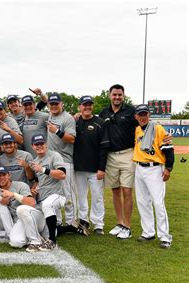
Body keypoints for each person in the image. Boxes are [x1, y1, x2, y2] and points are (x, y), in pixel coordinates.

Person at [98, 84, 138, 239]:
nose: (117, 97)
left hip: (128, 154)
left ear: (123, 95)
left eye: (119, 95)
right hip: (110, 156)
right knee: (115, 190)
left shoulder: (131, 111)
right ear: (110, 95)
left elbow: (144, 125)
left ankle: (127, 226)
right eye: (114, 95)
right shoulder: (104, 112)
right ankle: (120, 223)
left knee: (127, 190)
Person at [132, 105, 174, 249]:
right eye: (140, 114)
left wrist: (168, 168)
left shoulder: (158, 128)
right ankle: (148, 232)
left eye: (145, 114)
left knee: (158, 202)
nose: (142, 117)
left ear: (149, 115)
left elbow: (169, 149)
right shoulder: (137, 129)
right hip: (139, 168)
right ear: (136, 117)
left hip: (155, 168)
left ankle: (165, 237)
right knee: (143, 202)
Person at [73, 96, 109, 235]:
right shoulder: (74, 122)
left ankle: (98, 223)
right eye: (84, 105)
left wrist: (102, 168)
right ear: (79, 107)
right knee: (81, 196)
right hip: (79, 168)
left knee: (97, 196)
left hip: (95, 169)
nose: (87, 107)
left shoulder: (100, 122)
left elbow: (104, 147)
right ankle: (83, 220)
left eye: (89, 105)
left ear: (92, 106)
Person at [29, 134, 67, 249]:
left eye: (42, 144)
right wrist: (34, 188)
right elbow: (37, 180)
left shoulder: (54, 155)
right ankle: (72, 227)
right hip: (43, 198)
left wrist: (43, 169)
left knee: (48, 204)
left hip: (57, 195)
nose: (39, 146)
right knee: (43, 228)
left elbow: (62, 175)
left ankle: (52, 242)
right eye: (37, 144)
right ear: (32, 146)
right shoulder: (35, 161)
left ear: (46, 144)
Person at [0, 166, 37, 249]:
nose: (1, 178)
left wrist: (14, 194)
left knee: (17, 243)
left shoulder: (21, 185)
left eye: (4, 175)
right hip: (14, 221)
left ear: (9, 175)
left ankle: (32, 236)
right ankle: (11, 234)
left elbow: (32, 203)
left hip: (26, 218)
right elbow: (5, 202)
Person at [46, 92, 77, 226]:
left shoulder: (68, 118)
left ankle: (71, 222)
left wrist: (57, 131)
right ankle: (58, 221)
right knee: (54, 193)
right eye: (51, 104)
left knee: (68, 193)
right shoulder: (50, 115)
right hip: (52, 160)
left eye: (56, 104)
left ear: (61, 104)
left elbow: (72, 139)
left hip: (65, 160)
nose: (53, 106)